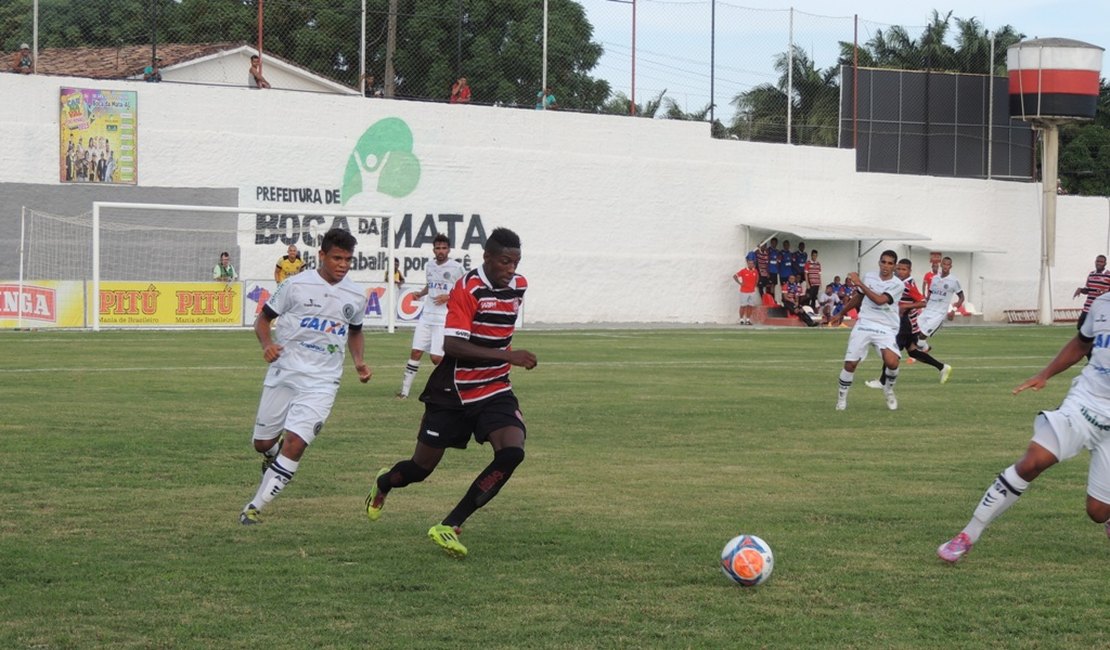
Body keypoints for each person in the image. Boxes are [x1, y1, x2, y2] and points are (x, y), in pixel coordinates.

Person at [365, 227, 536, 559]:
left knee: (512, 452)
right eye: (505, 262)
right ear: (487, 258)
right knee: (420, 468)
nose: (511, 269)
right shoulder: (467, 289)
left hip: (495, 387)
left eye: (516, 262)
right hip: (453, 390)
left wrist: (503, 360)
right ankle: (383, 484)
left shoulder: (519, 286)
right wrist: (508, 356)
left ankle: (450, 525)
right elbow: (453, 344)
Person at [937, 292, 1110, 563]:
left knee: (1098, 511)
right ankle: (967, 535)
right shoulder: (1102, 304)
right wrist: (1044, 374)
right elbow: (1081, 343)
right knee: (1032, 462)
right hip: (1085, 403)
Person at [239, 228, 372, 525]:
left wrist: (360, 362)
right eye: (337, 258)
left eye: (348, 259)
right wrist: (267, 345)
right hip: (285, 372)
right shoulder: (295, 285)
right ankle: (270, 457)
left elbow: (356, 331)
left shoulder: (355, 295)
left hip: (323, 381)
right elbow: (263, 319)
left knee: (297, 442)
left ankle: (254, 507)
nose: (343, 264)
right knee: (262, 443)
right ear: (321, 256)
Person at [831, 250, 904, 411]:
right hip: (865, 323)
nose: (886, 266)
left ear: (895, 267)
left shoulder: (898, 284)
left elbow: (879, 300)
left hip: (886, 326)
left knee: (892, 362)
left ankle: (888, 389)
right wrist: (841, 313)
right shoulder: (869, 277)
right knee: (850, 364)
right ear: (879, 262)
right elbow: (859, 297)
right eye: (883, 262)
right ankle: (841, 400)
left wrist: (858, 282)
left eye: (890, 263)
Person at [397, 233, 466, 398]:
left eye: (443, 248)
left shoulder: (456, 267)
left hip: (443, 319)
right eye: (437, 248)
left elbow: (464, 290)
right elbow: (430, 285)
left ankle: (451, 385)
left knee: (436, 358)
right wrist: (420, 294)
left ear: (448, 250)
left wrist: (448, 297)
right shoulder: (429, 265)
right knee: (415, 352)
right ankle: (404, 392)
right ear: (433, 250)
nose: (440, 251)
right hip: (426, 316)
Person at [864, 258, 952, 388]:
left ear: (910, 271)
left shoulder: (908, 284)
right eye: (898, 268)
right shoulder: (897, 282)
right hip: (903, 323)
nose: (900, 271)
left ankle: (882, 382)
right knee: (912, 351)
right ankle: (942, 367)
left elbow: (923, 302)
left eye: (904, 269)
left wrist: (905, 306)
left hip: (905, 323)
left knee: (892, 351)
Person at [916, 256, 964, 350]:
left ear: (951, 266)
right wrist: (924, 302)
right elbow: (930, 293)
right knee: (916, 333)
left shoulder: (954, 281)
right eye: (944, 264)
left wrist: (953, 310)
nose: (946, 266)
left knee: (923, 335)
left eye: (948, 265)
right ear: (941, 265)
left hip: (939, 313)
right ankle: (926, 349)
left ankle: (915, 356)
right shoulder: (935, 278)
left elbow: (962, 298)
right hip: (928, 310)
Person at [1072, 254, 1110, 330]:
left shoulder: (1108, 275)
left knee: (1096, 330)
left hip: (1101, 308)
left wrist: (1106, 292)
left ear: (1105, 263)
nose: (1099, 263)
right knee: (1080, 327)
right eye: (1097, 261)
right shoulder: (1091, 274)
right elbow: (1088, 289)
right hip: (1088, 307)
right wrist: (1081, 290)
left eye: (1101, 262)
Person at [733, 258, 759, 325]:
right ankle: (741, 319)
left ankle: (748, 319)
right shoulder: (743, 271)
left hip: (752, 291)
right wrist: (740, 283)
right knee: (743, 306)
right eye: (749, 263)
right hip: (744, 291)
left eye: (752, 263)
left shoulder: (755, 271)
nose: (751, 265)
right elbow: (735, 276)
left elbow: (757, 277)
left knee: (750, 306)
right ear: (747, 264)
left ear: (753, 264)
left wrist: (755, 284)